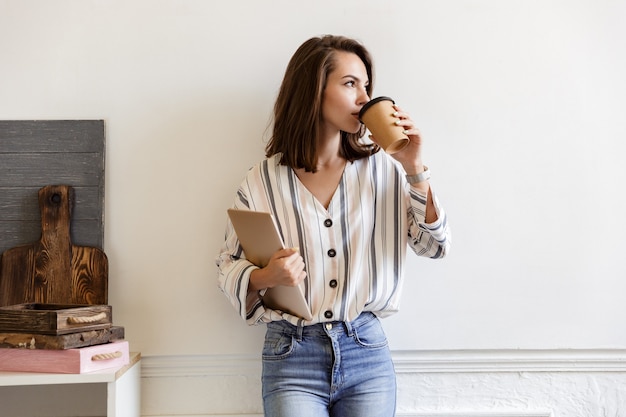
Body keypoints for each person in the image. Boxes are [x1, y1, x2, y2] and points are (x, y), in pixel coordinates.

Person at [216, 34, 451, 417]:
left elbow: (435, 246)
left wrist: (414, 167)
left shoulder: (385, 172)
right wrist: (265, 276)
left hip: (366, 352)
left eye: (366, 85)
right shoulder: (262, 181)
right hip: (291, 355)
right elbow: (226, 265)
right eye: (349, 84)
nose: (364, 98)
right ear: (313, 91)